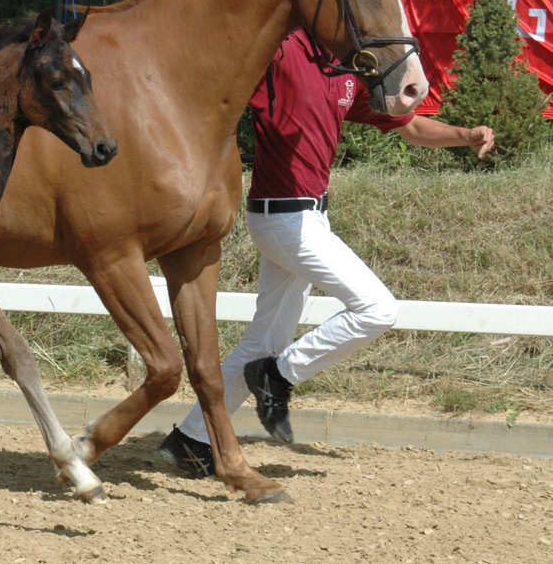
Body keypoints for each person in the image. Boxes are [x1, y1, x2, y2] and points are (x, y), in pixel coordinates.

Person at [159, 29, 496, 477]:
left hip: (309, 218)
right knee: (376, 309)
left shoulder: (345, 68)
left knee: (263, 341)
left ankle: (189, 440)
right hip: (283, 218)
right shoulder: (281, 51)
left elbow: (408, 125)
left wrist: (464, 134)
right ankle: (277, 375)